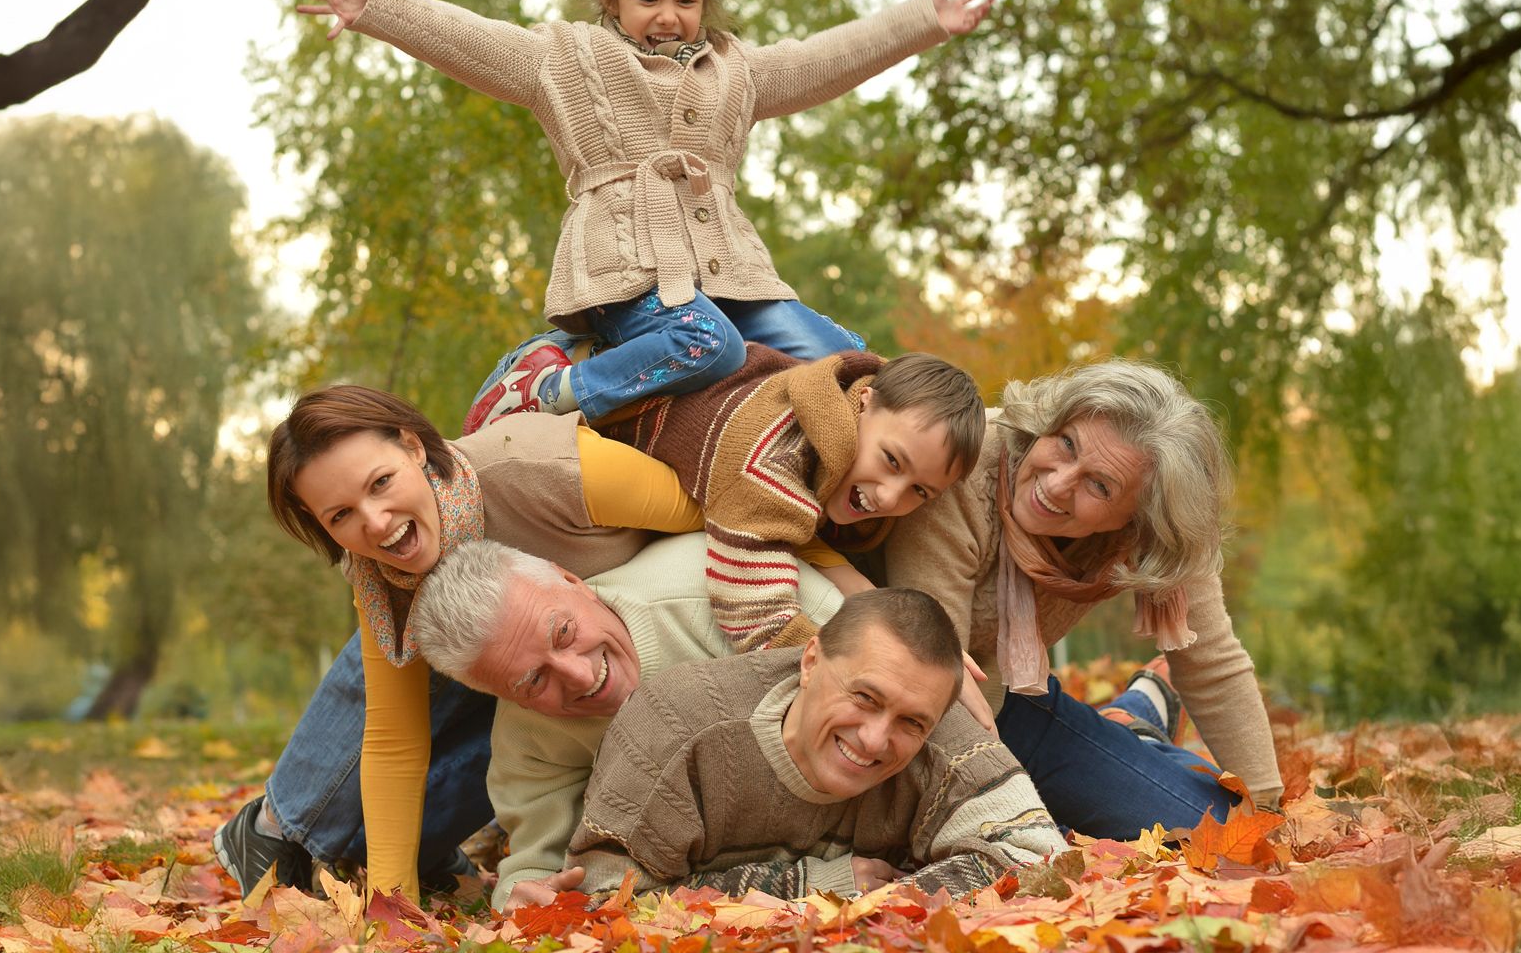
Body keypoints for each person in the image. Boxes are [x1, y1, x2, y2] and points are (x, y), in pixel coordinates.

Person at [287, 0, 995, 434]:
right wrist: (376, 5)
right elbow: (471, 39)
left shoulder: (737, 70)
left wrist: (921, 20)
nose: (668, 16)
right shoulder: (567, 58)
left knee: (845, 361)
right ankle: (551, 385)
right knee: (705, 344)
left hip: (731, 272)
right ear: (611, 0)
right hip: (627, 269)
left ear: (704, 2)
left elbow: (824, 59)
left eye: (685, 1)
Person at [212, 385, 710, 899]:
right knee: (451, 640)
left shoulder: (545, 468)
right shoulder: (379, 577)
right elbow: (395, 739)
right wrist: (394, 901)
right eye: (340, 516)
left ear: (413, 445)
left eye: (381, 482)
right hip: (559, 698)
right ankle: (312, 843)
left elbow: (725, 517)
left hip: (679, 639)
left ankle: (277, 825)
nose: (375, 522)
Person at [873, 358, 1284, 843]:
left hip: (1015, 699)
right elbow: (935, 675)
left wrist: (1268, 809)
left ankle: (1129, 727)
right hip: (932, 699)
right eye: (1066, 444)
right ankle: (1131, 726)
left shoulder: (1153, 538)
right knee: (1036, 834)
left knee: (1217, 828)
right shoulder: (962, 463)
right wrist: (1008, 814)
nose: (1057, 483)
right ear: (1053, 421)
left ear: (1136, 521)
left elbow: (1212, 664)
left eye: (1100, 486)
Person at [402, 533, 846, 908]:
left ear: (573, 581)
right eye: (534, 680)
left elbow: (877, 684)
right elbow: (536, 863)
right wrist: (522, 897)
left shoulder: (724, 582)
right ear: (502, 696)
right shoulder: (526, 736)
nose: (580, 676)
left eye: (563, 633)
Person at [566, 588, 1066, 899]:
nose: (875, 740)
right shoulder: (673, 724)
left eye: (911, 722)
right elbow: (604, 901)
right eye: (865, 697)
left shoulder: (937, 719)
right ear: (810, 662)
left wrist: (876, 906)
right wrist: (807, 888)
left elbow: (1040, 857)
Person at [595, 345, 985, 628]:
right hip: (619, 422)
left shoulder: (850, 404)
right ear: (865, 401)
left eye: (920, 491)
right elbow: (755, 613)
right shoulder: (775, 458)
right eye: (892, 460)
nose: (888, 496)